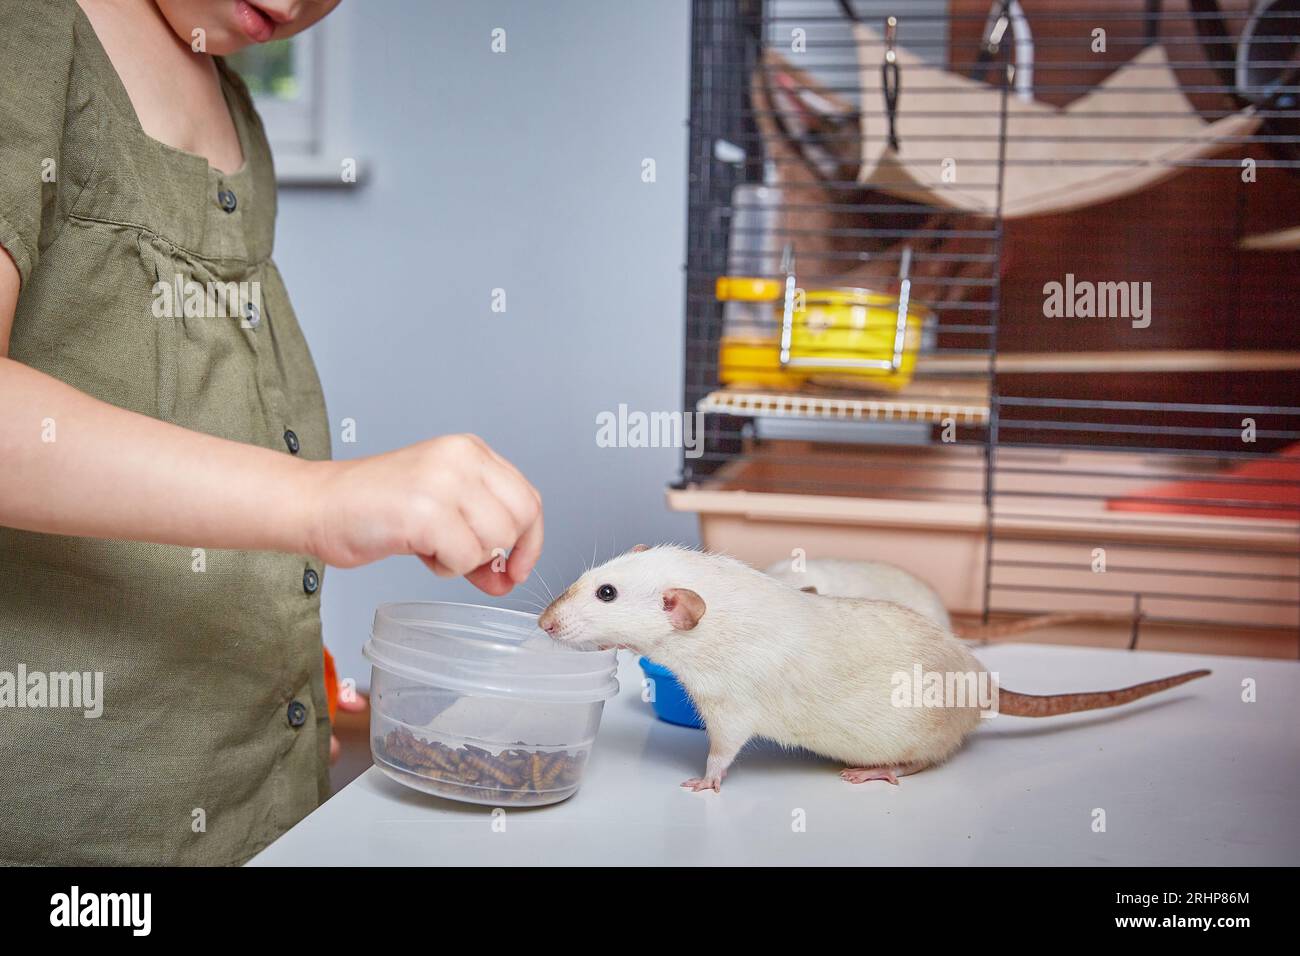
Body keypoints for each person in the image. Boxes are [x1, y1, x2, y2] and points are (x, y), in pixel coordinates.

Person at [0, 0, 543, 865]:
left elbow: (184, 416)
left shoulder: (232, 101)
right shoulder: (24, 29)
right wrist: (324, 500)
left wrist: (283, 678)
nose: (294, 4)